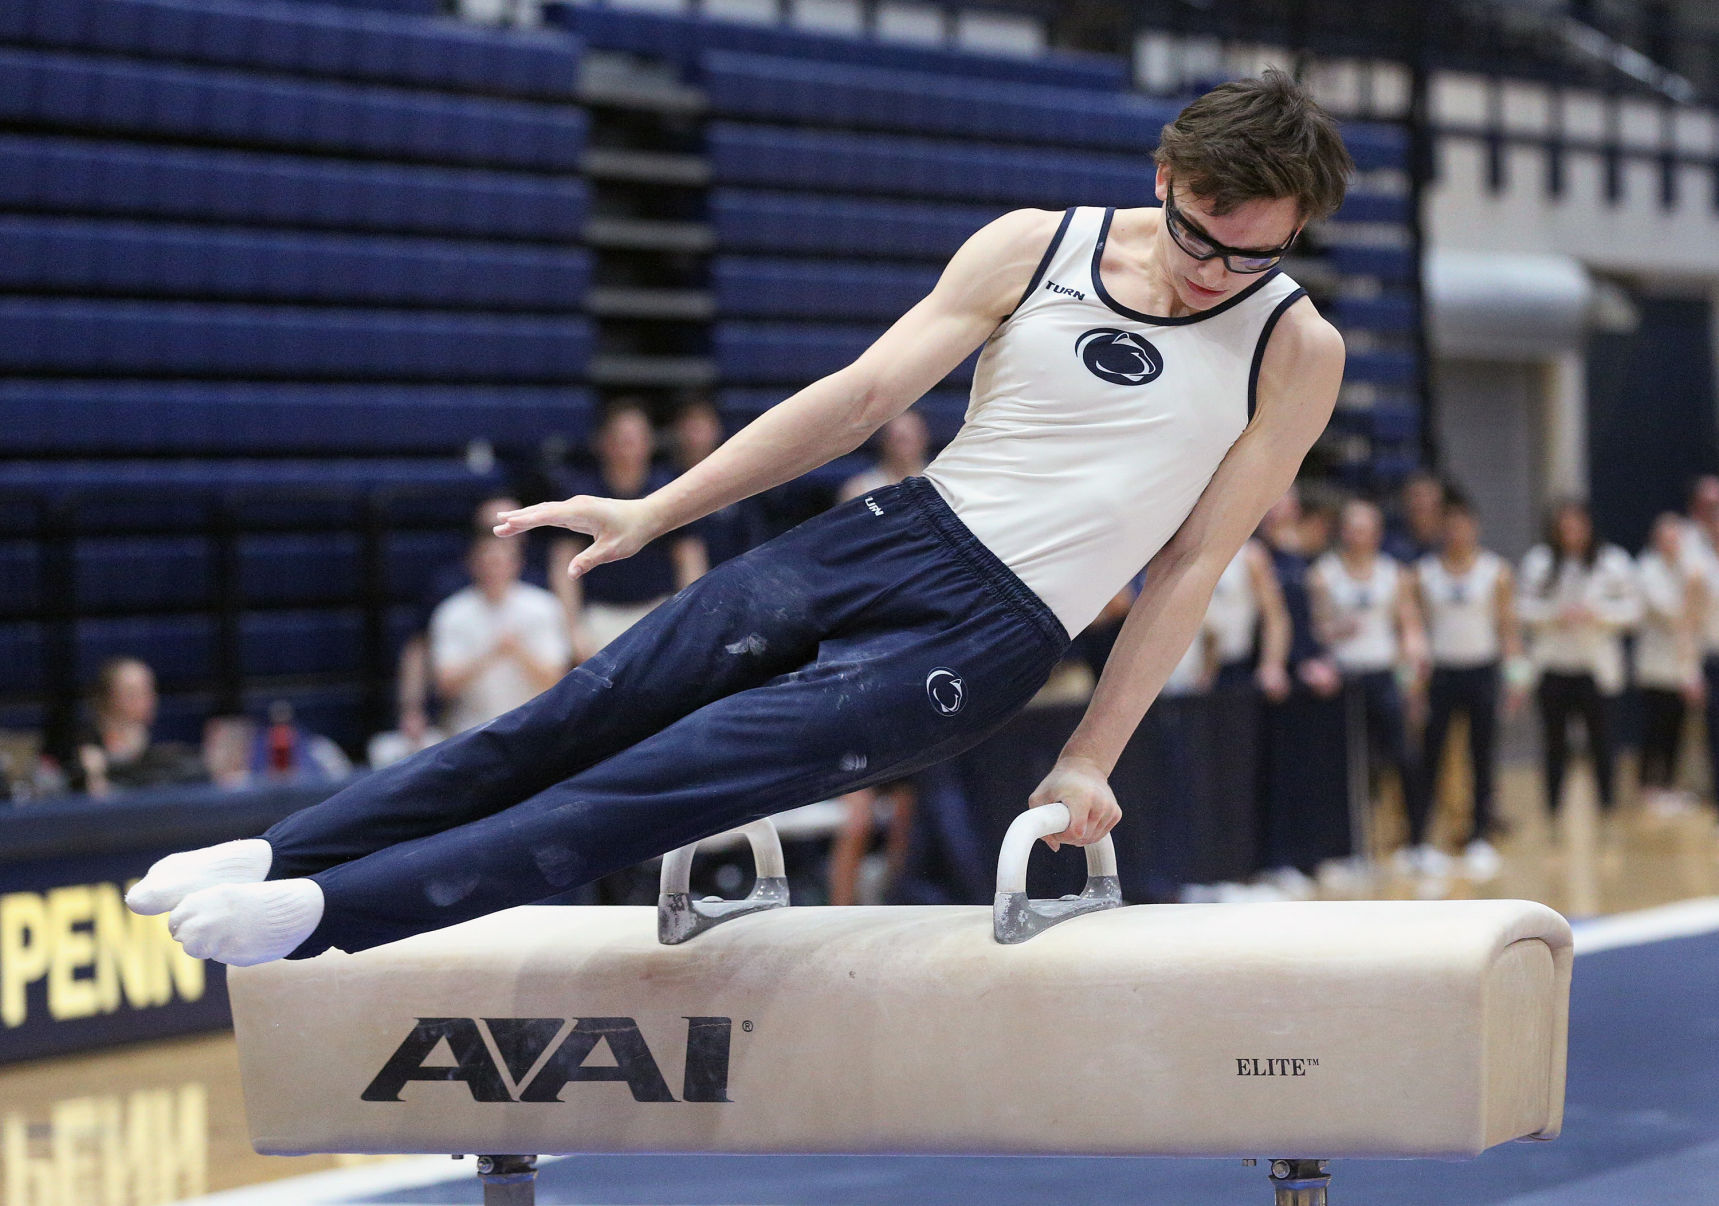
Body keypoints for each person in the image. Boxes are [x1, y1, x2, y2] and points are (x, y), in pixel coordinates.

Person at [127, 70, 1352, 967]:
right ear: (1162, 176)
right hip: (887, 536)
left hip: (986, 636)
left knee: (661, 782)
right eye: (1198, 232)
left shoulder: (1294, 349)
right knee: (581, 711)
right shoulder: (1039, 247)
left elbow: (1194, 562)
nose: (1211, 271)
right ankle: (286, 854)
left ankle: (331, 918)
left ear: (1294, 236)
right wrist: (660, 508)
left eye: (1250, 255)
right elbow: (860, 400)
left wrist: (1088, 753)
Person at [1310, 498, 1430, 874]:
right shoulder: (1324, 574)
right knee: (1348, 766)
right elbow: (1315, 630)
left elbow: (1408, 627)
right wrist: (1336, 631)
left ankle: (1416, 842)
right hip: (1344, 679)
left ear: (1377, 533)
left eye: (1366, 528)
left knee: (1403, 756)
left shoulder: (1393, 574)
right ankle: (1349, 849)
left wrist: (1414, 672)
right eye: (1352, 527)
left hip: (1383, 675)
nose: (1358, 536)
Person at [1413, 492, 1523, 882]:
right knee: (1432, 756)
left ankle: (1480, 836)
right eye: (1451, 526)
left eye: (1464, 526)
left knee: (1483, 756)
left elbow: (1508, 629)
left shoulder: (1495, 572)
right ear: (1443, 529)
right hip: (1440, 674)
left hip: (1482, 671)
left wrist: (1516, 680)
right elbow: (1415, 632)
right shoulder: (1424, 573)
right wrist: (1412, 683)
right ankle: (1421, 840)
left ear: (1475, 528)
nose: (1458, 533)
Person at [1518, 499, 1642, 819]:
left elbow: (1633, 611)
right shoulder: (1539, 562)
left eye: (1577, 525)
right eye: (1565, 526)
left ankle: (1607, 807)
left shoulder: (1613, 561)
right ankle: (1552, 809)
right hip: (1552, 667)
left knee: (1603, 744)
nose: (1571, 532)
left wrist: (1597, 615)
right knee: (1554, 744)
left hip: (1597, 669)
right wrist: (1553, 616)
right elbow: (1522, 609)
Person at [558, 401, 708, 660]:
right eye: (621, 439)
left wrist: (688, 618)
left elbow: (689, 558)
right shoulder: (584, 495)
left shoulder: (668, 490)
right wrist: (573, 627)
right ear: (603, 443)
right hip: (599, 614)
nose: (628, 448)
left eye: (635, 439)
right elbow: (563, 562)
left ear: (649, 443)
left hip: (656, 610)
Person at [430, 534, 573, 735]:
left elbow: (556, 679)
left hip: (532, 724)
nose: (492, 570)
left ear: (516, 564)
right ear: (472, 564)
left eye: (499, 562)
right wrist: (491, 653)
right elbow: (445, 686)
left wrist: (517, 651)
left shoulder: (544, 607)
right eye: (486, 562)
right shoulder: (452, 612)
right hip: (471, 729)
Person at [1635, 512, 1705, 816]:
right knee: (1653, 728)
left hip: (1682, 665)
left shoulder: (1689, 568)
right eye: (1667, 538)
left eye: (1677, 538)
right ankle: (1647, 786)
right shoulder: (1647, 569)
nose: (1672, 543)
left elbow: (1697, 615)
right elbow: (1669, 612)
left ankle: (1670, 786)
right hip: (1654, 666)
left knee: (1677, 728)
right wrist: (1691, 604)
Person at [72, 657, 206, 797]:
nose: (145, 699)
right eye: (132, 693)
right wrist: (95, 775)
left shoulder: (165, 744)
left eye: (148, 690)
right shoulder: (87, 747)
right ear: (108, 698)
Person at [670, 395, 757, 567]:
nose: (694, 436)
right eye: (690, 427)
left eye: (700, 427)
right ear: (678, 431)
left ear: (715, 429)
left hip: (732, 575)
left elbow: (752, 538)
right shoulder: (666, 482)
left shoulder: (736, 483)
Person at [838, 410, 932, 502]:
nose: (904, 446)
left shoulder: (941, 485)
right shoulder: (858, 490)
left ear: (923, 438)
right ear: (884, 441)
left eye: (909, 438)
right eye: (898, 438)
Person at [1384, 470, 1446, 564]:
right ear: (1405, 501)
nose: (1421, 502)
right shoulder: (1390, 540)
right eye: (1416, 495)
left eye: (1427, 495)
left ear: (1439, 501)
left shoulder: (1452, 535)